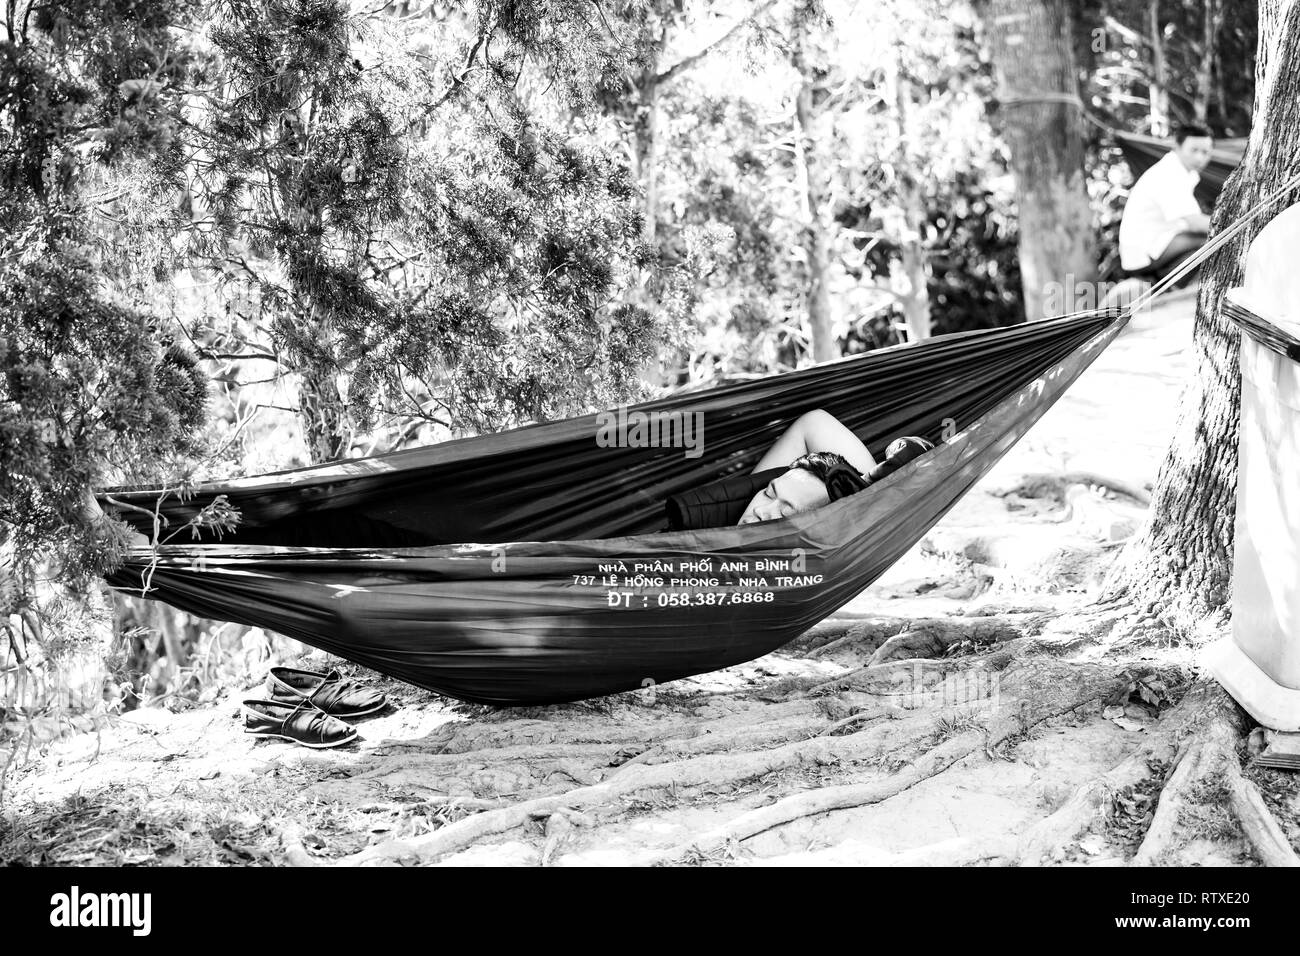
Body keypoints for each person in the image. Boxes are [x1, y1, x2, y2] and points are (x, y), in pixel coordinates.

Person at [664, 409, 934, 530]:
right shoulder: (732, 513)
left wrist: (863, 497)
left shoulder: (805, 561)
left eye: (784, 512)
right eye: (769, 494)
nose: (760, 511)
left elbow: (919, 457)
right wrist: (862, 485)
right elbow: (814, 424)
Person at [1118, 124, 1215, 283]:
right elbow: (1194, 223)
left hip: (1158, 246)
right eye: (1194, 150)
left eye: (1205, 152)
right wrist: (1234, 226)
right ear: (1177, 146)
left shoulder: (1183, 173)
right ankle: (1173, 285)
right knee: (1216, 239)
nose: (1199, 158)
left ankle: (1174, 282)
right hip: (1142, 254)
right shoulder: (1169, 173)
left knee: (1212, 236)